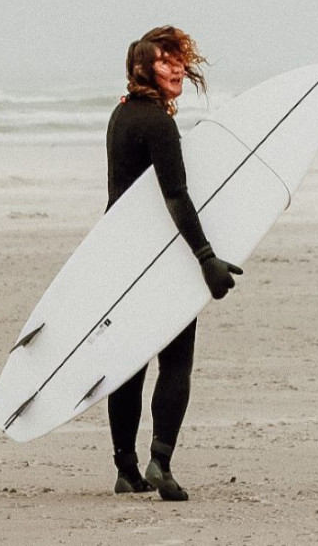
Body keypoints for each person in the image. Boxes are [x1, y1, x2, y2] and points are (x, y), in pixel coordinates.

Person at [105, 26, 243, 501]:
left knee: (129, 364)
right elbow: (175, 196)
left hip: (122, 257)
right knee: (176, 363)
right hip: (158, 260)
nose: (178, 67)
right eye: (165, 60)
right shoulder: (160, 125)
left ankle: (126, 468)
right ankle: (160, 461)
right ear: (143, 68)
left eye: (180, 59)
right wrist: (206, 259)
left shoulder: (120, 116)